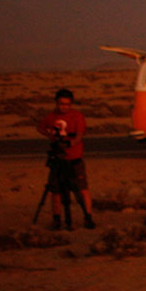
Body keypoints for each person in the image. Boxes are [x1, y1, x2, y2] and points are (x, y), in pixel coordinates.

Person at [36, 88, 95, 230]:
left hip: (74, 159)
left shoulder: (77, 116)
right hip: (57, 159)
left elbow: (80, 134)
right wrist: (50, 135)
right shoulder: (51, 117)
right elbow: (40, 127)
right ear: (56, 103)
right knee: (55, 190)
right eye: (61, 104)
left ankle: (88, 217)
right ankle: (57, 220)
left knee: (82, 189)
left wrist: (70, 143)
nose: (64, 107)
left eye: (67, 104)